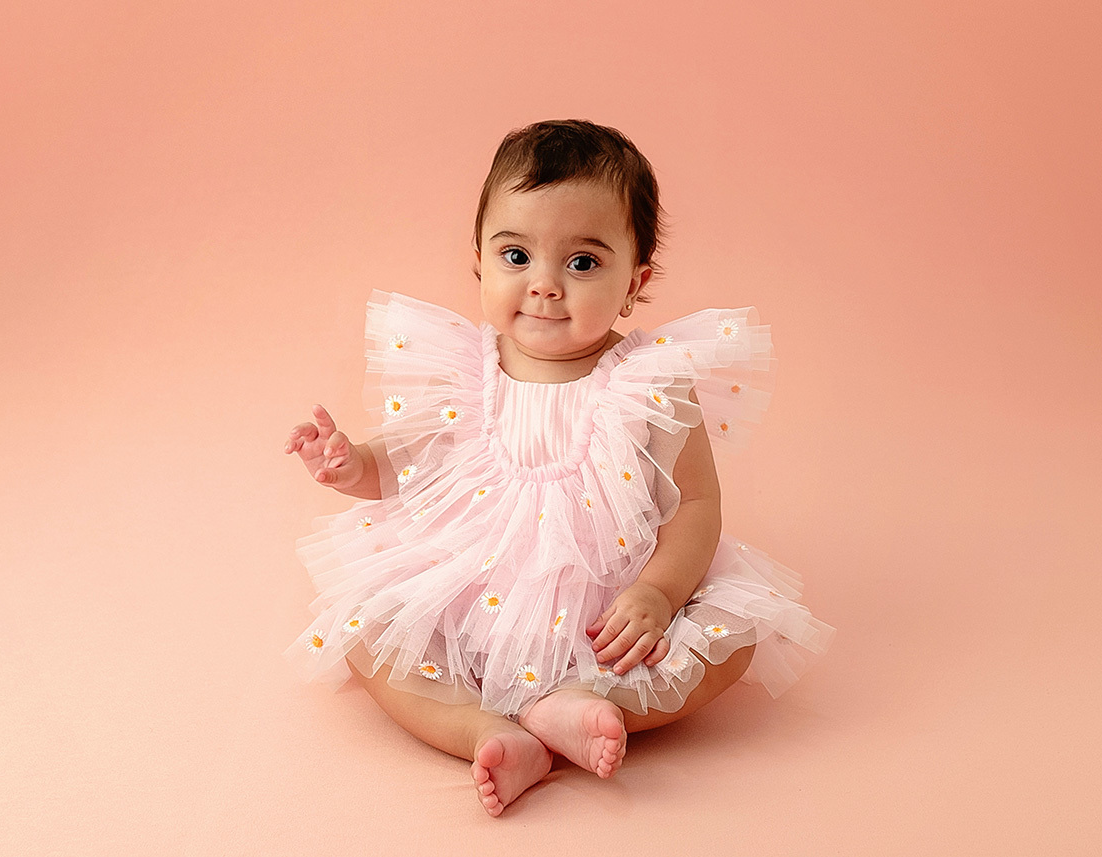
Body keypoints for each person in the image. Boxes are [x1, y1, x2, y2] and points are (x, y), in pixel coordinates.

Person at [283, 120, 834, 817]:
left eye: (582, 263)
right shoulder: (460, 373)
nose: (544, 286)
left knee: (734, 641)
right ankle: (485, 731)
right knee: (365, 632)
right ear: (478, 263)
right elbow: (400, 467)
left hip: (610, 609)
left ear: (635, 284)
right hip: (468, 595)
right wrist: (349, 464)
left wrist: (660, 595)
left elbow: (696, 505)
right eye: (516, 255)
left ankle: (578, 703)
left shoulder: (651, 383)